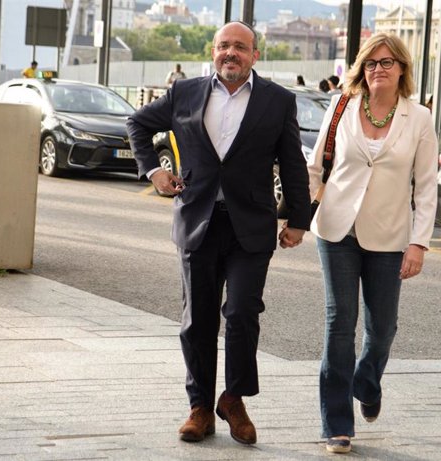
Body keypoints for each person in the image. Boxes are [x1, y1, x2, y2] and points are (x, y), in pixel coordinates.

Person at [126, 21, 311, 446]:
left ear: (255, 55)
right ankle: (199, 408)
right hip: (197, 221)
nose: (231, 53)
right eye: (224, 46)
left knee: (243, 312)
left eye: (240, 48)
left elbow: (292, 162)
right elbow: (137, 123)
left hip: (251, 227)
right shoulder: (184, 93)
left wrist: (299, 219)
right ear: (213, 51)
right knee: (198, 320)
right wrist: (153, 171)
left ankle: (234, 398)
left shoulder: (278, 101)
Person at [307, 32, 437, 454]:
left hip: (389, 234)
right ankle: (337, 424)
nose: (377, 69)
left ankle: (367, 380)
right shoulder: (341, 105)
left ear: (402, 68)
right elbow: (316, 166)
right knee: (339, 323)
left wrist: (419, 243)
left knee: (382, 329)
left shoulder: (418, 118)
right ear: (362, 69)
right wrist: (301, 215)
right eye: (370, 63)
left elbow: (426, 187)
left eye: (386, 62)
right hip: (336, 230)